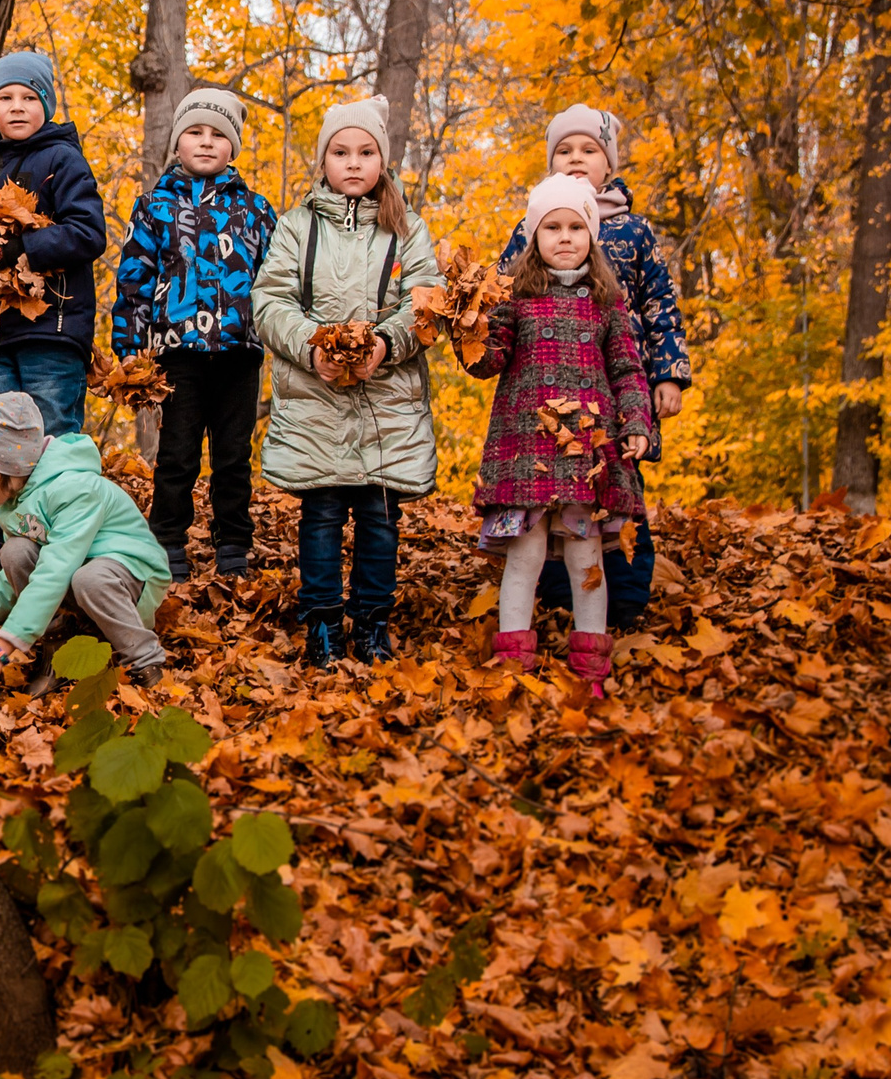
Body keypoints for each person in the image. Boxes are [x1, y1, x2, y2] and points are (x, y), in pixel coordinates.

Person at [250, 96, 440, 668]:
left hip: (388, 403)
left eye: (366, 152)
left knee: (381, 520)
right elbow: (269, 300)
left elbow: (427, 301)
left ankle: (373, 624)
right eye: (340, 152)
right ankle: (324, 625)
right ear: (324, 159)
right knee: (322, 515)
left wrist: (388, 343)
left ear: (382, 159)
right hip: (317, 401)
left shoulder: (406, 228)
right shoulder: (296, 226)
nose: (353, 163)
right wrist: (312, 346)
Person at [495, 106, 690, 629]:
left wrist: (667, 374)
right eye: (564, 150)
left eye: (589, 150)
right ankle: (555, 599)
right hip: (539, 407)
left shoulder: (634, 231)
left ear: (609, 163)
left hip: (610, 399)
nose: (576, 158)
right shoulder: (532, 224)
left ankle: (623, 599)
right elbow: (499, 293)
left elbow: (660, 306)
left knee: (614, 499)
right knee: (546, 507)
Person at [466, 176, 652, 698]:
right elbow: (489, 361)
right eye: (552, 227)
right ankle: (513, 660)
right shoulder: (514, 297)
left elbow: (627, 368)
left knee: (585, 557)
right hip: (525, 448)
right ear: (533, 235)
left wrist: (637, 423)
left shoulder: (605, 301)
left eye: (576, 227)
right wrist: (469, 329)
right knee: (524, 555)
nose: (565, 237)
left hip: (586, 454)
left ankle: (591, 665)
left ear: (592, 236)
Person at [112, 87, 278, 577]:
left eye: (218, 135)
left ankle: (233, 546)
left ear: (233, 147)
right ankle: (166, 544)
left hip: (239, 352)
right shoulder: (152, 207)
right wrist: (128, 345)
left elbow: (275, 281)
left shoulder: (256, 210)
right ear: (177, 142)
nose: (206, 142)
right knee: (177, 455)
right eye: (194, 132)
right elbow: (133, 280)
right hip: (176, 352)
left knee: (233, 456)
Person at [0, 392, 172, 693]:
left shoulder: (74, 489)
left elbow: (55, 569)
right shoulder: (12, 499)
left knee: (90, 579)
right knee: (15, 552)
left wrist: (3, 646)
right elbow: (17, 572)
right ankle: (58, 646)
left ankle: (144, 662)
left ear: (12, 467)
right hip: (79, 578)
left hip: (131, 576)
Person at [0, 51, 107, 436]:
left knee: (50, 434)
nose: (17, 107)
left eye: (29, 98)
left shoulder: (63, 160)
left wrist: (23, 248)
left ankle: (58, 498)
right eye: (6, 98)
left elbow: (88, 232)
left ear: (46, 105)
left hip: (53, 329)